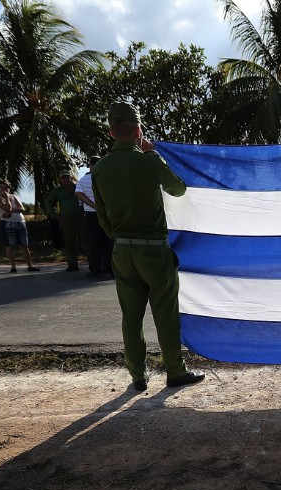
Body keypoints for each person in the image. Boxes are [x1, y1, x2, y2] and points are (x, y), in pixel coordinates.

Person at [92, 101, 204, 391]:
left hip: (122, 250)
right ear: (138, 131)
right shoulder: (149, 161)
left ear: (111, 132)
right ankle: (175, 372)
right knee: (165, 314)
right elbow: (178, 189)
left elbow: (102, 217)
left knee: (131, 317)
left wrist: (120, 240)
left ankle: (138, 376)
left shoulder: (100, 169)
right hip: (154, 250)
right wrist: (154, 154)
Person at [77, 156, 113, 278]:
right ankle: (107, 269)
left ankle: (96, 269)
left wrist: (93, 205)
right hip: (104, 214)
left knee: (96, 243)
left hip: (93, 214)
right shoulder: (106, 178)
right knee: (107, 241)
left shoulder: (84, 179)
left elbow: (78, 193)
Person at [0, 179, 39, 273]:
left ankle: (30, 266)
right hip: (7, 223)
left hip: (20, 221)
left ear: (9, 189)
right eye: (2, 187)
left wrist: (10, 211)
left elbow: (21, 208)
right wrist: (6, 199)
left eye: (6, 188)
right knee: (10, 245)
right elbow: (7, 207)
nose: (4, 189)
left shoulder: (14, 196)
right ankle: (13, 267)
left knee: (24, 245)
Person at [44, 170, 86, 272]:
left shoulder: (79, 187)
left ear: (71, 177)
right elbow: (49, 202)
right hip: (66, 221)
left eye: (67, 177)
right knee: (69, 244)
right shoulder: (57, 191)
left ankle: (93, 265)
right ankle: (72, 265)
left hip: (82, 219)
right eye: (63, 178)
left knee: (87, 242)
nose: (66, 179)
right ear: (60, 179)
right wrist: (55, 216)